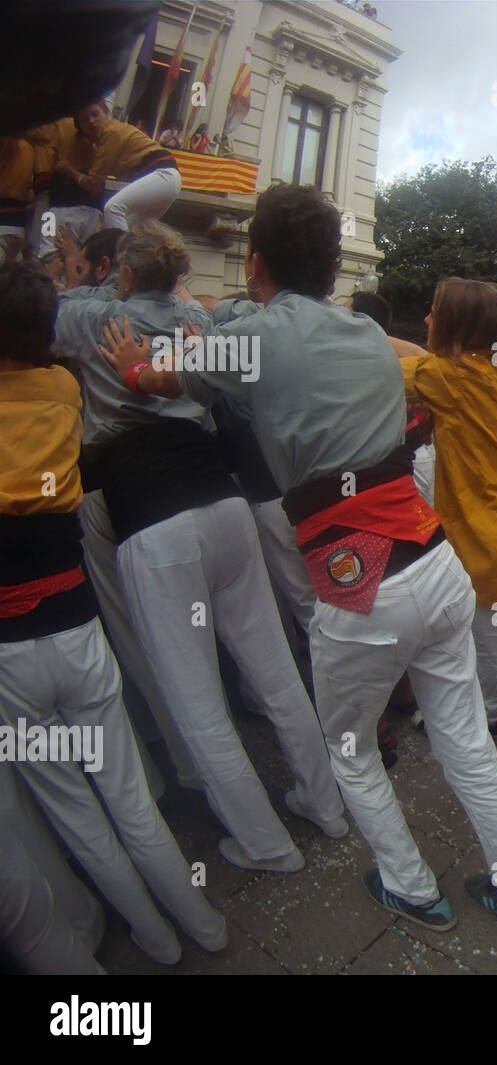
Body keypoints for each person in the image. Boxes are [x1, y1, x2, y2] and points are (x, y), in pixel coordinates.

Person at [100, 184, 497, 942]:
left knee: (349, 747)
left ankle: (410, 885)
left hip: (361, 577)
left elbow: (163, 381)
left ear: (254, 264)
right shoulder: (365, 336)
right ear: (329, 267)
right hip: (436, 562)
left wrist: (131, 365)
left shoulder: (256, 340)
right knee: (468, 741)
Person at [59, 222, 346, 872]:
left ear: (125, 274)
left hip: (149, 510)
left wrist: (83, 271)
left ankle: (266, 844)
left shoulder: (95, 317)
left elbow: (39, 313)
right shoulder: (198, 318)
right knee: (274, 667)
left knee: (195, 698)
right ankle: (323, 804)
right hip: (222, 499)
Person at [0, 261, 228, 964]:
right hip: (73, 620)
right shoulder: (64, 387)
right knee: (129, 794)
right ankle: (204, 923)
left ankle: (155, 939)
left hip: (10, 648)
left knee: (77, 812)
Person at [397, 278, 497, 771]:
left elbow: (376, 362)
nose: (425, 319)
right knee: (484, 638)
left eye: (433, 311)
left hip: (491, 542)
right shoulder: (496, 366)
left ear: (454, 323)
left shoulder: (450, 375)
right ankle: (492, 718)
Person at [56, 102, 181, 233]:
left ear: (105, 113)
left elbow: (93, 185)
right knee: (132, 229)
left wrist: (70, 170)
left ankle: (118, 253)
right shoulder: (104, 138)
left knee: (113, 208)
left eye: (95, 114)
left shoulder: (111, 132)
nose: (91, 121)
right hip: (165, 180)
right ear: (81, 127)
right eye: (85, 120)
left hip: (163, 175)